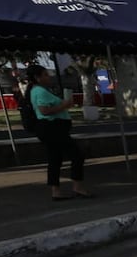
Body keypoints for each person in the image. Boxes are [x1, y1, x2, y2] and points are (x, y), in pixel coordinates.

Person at [27, 63, 91, 201]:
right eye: (45, 75)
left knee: (55, 159)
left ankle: (56, 190)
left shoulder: (39, 90)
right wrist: (64, 105)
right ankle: (77, 186)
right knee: (76, 154)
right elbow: (44, 110)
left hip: (52, 129)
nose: (48, 77)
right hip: (52, 128)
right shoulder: (40, 91)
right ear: (37, 78)